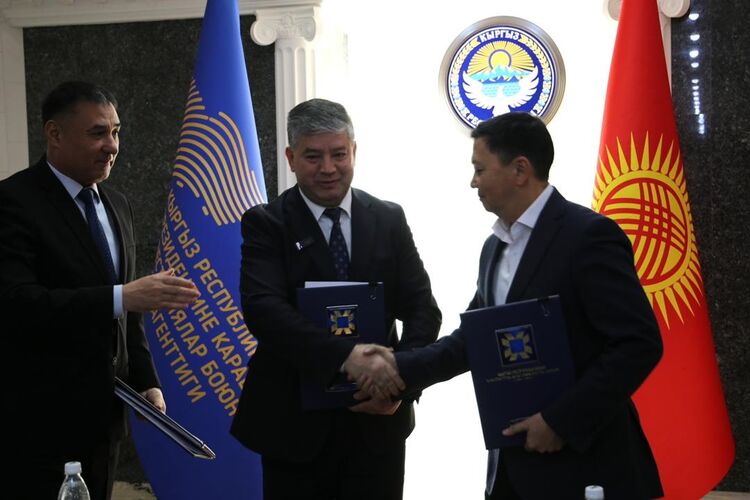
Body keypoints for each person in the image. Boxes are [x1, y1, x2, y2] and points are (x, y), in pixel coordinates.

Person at [355, 112, 664, 499]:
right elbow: (473, 341)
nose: (473, 182)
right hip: (513, 468)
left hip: (587, 467)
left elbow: (638, 343)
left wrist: (561, 421)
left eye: (480, 169)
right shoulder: (494, 247)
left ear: (520, 170)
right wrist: (397, 368)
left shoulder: (588, 236)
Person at [230, 98, 441, 500]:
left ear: (354, 151)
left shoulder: (388, 218)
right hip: (295, 428)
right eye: (313, 156)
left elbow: (422, 309)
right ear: (291, 158)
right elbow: (264, 311)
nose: (328, 168)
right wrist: (347, 357)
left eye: (338, 154)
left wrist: (398, 383)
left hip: (379, 423)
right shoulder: (266, 223)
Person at [0, 81, 200, 500]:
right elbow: (16, 303)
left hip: (105, 422)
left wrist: (145, 381)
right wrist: (121, 296)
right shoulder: (13, 201)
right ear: (54, 133)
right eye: (97, 133)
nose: (112, 146)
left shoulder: (118, 204)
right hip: (38, 423)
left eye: (116, 132)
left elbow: (131, 311)